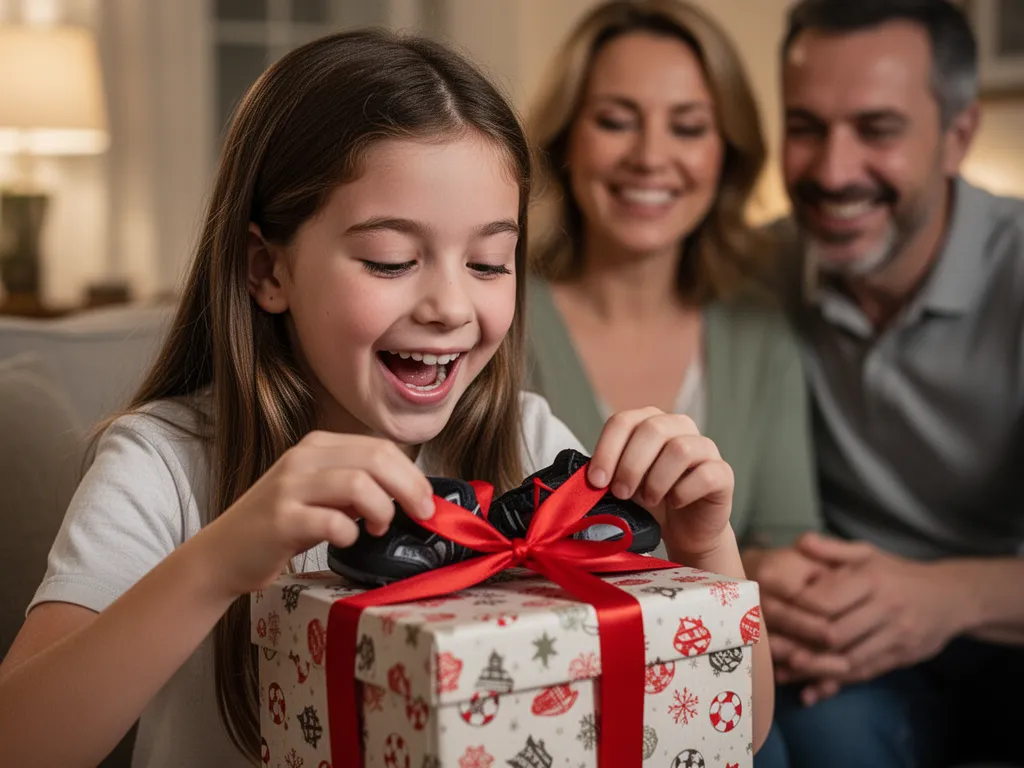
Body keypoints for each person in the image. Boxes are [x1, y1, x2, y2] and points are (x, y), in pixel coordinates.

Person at [0, 30, 773, 767]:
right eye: (391, 259)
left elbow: (734, 724)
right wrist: (217, 564)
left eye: (488, 262)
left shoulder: (531, 445)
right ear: (267, 271)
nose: (449, 306)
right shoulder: (165, 462)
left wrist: (705, 546)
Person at [524, 8, 817, 762]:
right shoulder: (499, 318)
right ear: (566, 140)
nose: (651, 157)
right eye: (617, 121)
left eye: (688, 126)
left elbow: (787, 554)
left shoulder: (759, 326)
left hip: (721, 680)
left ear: (727, 153)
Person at [766, 1, 1024, 766]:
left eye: (877, 130)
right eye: (805, 127)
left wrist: (947, 597)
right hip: (851, 647)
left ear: (958, 136)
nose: (833, 171)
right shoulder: (754, 274)